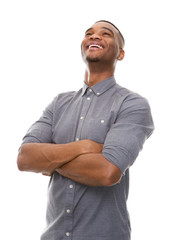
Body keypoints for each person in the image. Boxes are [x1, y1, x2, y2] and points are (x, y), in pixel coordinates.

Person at [17, 20, 154, 240]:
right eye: (89, 33)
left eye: (106, 34)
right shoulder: (58, 104)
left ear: (121, 54)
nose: (94, 36)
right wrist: (85, 147)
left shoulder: (131, 104)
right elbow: (25, 159)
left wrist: (50, 161)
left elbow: (107, 172)